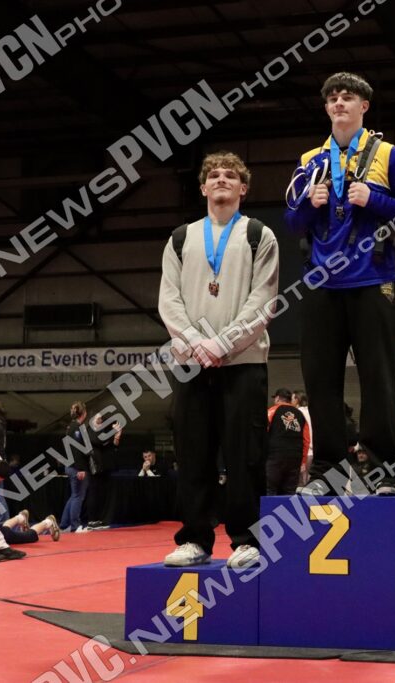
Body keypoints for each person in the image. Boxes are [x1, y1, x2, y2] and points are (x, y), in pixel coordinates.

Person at [284, 72, 395, 496]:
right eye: (332, 98)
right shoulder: (312, 159)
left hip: (374, 280)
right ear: (326, 108)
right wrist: (309, 206)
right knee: (321, 383)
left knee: (379, 380)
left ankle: (383, 470)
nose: (339, 103)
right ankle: (326, 471)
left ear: (364, 106)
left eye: (347, 97)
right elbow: (292, 222)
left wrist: (375, 199)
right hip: (322, 285)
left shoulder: (387, 154)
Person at [158, 150, 279, 569]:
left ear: (243, 188)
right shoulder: (181, 238)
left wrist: (222, 344)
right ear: (203, 188)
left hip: (243, 362)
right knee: (193, 454)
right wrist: (195, 342)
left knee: (245, 455)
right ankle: (195, 538)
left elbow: (263, 300)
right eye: (214, 175)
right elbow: (168, 300)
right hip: (191, 361)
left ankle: (248, 540)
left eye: (230, 175)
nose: (221, 179)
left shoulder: (258, 235)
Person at [265, 388, 309, 495]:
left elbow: (263, 432)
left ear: (277, 398)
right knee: (289, 492)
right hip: (295, 459)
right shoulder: (300, 415)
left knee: (270, 489)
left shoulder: (272, 411)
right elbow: (306, 440)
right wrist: (303, 462)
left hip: (275, 457)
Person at [58, 402, 91, 534]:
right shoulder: (77, 428)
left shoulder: (71, 427)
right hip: (76, 467)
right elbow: (77, 450)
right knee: (78, 496)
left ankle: (64, 524)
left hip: (71, 465)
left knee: (74, 496)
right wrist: (81, 469)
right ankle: (75, 526)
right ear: (84, 413)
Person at [85, 413, 121, 529]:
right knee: (93, 492)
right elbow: (99, 441)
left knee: (101, 493)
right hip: (94, 467)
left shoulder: (102, 432)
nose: (101, 420)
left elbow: (112, 445)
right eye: (98, 419)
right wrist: (113, 432)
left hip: (103, 467)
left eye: (101, 419)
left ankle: (99, 519)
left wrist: (117, 435)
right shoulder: (90, 431)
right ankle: (92, 520)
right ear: (92, 421)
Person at [292, 390, 313, 485]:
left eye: (292, 399)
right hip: (314, 451)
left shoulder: (297, 412)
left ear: (297, 399)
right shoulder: (312, 411)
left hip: (304, 452)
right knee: (309, 480)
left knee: (301, 483)